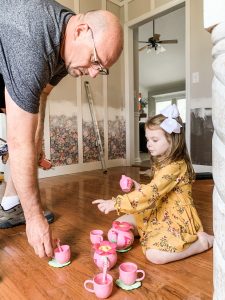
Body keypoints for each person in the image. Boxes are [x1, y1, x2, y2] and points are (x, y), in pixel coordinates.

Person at [0, 0, 123, 258]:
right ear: (81, 31)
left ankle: (12, 204)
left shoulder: (65, 49)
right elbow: (19, 142)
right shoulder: (34, 40)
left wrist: (38, 140)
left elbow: (42, 95)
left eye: (100, 69)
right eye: (94, 60)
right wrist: (35, 219)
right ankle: (25, 211)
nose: (92, 73)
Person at [93, 104, 213, 264]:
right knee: (120, 224)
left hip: (176, 218)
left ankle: (202, 243)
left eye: (155, 140)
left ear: (172, 141)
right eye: (148, 139)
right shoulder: (163, 161)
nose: (149, 144)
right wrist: (138, 187)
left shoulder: (175, 166)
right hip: (158, 208)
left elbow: (151, 193)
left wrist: (116, 202)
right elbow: (157, 190)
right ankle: (147, 231)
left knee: (154, 256)